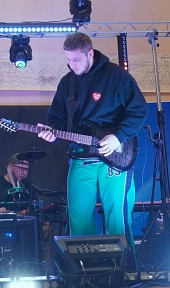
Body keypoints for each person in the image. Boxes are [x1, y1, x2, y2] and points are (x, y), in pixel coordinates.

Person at [37, 32, 148, 243]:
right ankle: (83, 263)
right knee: (78, 218)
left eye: (76, 59)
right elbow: (57, 119)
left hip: (115, 156)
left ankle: (123, 264)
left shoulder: (117, 76)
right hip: (81, 157)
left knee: (117, 220)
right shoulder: (67, 83)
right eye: (68, 60)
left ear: (90, 53)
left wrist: (118, 136)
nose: (72, 65)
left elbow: (139, 110)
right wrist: (53, 134)